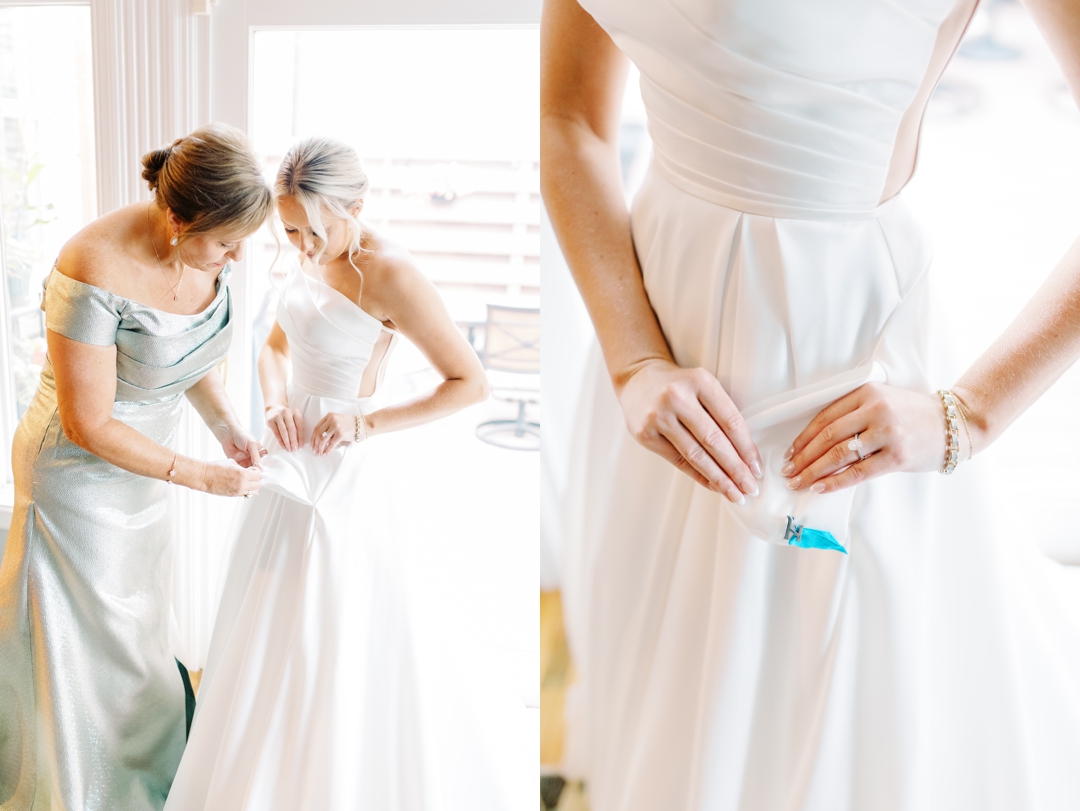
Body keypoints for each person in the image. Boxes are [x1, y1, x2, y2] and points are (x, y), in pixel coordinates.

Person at [542, 0, 1080, 808]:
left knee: (830, 709)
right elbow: (569, 117)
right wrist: (634, 358)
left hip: (835, 359)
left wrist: (970, 413)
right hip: (655, 339)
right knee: (675, 671)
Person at [164, 137, 493, 810]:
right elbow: (274, 348)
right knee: (270, 614)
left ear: (358, 208)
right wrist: (278, 401)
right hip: (293, 458)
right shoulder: (306, 258)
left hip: (351, 462)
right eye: (288, 231)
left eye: (313, 230)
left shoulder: (393, 274)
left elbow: (470, 383)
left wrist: (363, 423)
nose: (301, 246)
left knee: (337, 623)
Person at [0, 123, 271, 811]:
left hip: (150, 470)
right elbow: (90, 423)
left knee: (137, 626)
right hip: (75, 477)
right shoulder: (91, 264)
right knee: (79, 637)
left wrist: (228, 429)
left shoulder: (210, 256)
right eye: (226, 240)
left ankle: (142, 760)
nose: (237, 255)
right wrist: (200, 474)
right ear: (179, 219)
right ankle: (71, 780)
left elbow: (191, 355)